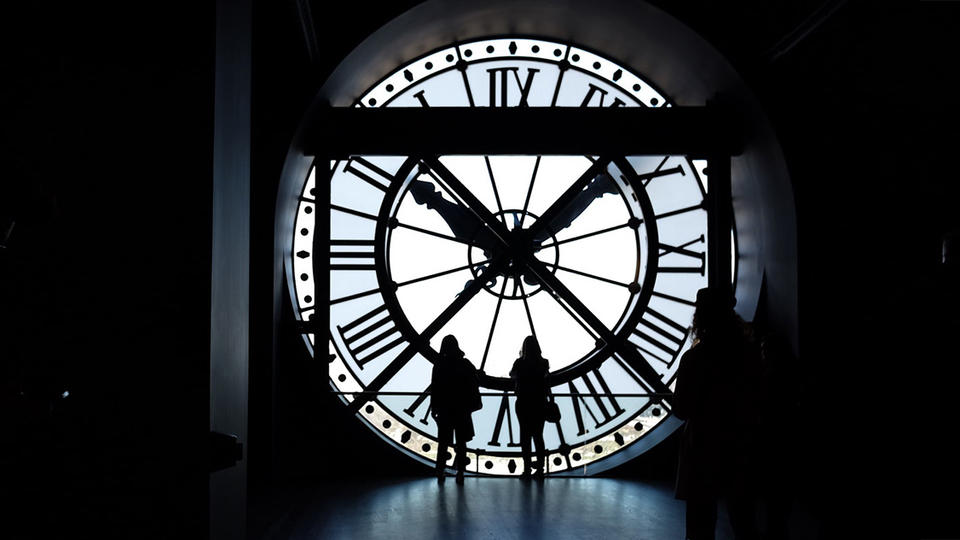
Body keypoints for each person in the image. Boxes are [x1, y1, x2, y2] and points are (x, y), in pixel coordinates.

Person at [673, 287, 761, 540]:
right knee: (743, 519)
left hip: (702, 447)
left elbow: (681, 409)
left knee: (700, 524)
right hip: (742, 445)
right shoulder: (750, 356)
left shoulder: (694, 359)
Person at [431, 335, 481, 484]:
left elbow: (435, 388)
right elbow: (474, 382)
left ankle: (440, 470)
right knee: (461, 443)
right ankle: (460, 472)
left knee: (444, 442)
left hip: (445, 409)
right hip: (461, 409)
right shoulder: (465, 364)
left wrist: (435, 408)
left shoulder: (439, 365)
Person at [509, 335, 550, 479]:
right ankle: (540, 469)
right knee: (538, 436)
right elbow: (546, 381)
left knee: (525, 437)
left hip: (523, 403)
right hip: (539, 403)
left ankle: (527, 469)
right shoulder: (543, 363)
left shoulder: (520, 363)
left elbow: (512, 375)